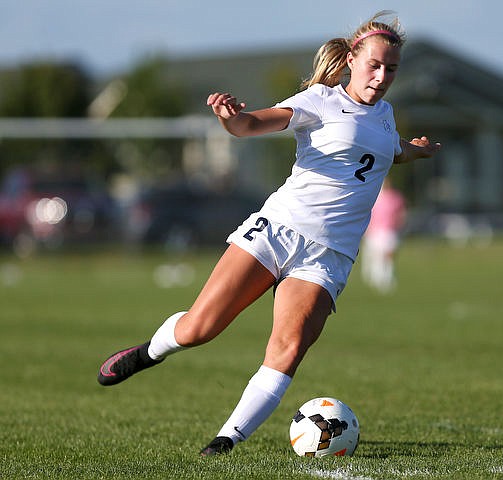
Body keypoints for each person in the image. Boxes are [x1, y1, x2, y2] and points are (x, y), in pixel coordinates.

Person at [96, 10, 441, 456]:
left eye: (391, 69)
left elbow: (386, 153)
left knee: (288, 347)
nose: (381, 76)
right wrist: (230, 118)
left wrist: (413, 151)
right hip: (277, 230)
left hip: (329, 256)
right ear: (352, 58)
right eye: (374, 64)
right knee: (201, 328)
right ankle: (148, 353)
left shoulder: (387, 116)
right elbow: (251, 125)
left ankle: (224, 441)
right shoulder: (318, 101)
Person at [361, 178, 406, 293]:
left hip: (389, 231)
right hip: (375, 231)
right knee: (378, 257)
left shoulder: (395, 198)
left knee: (388, 256)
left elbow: (401, 214)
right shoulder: (375, 196)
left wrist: (400, 225)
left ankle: (386, 279)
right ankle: (378, 280)